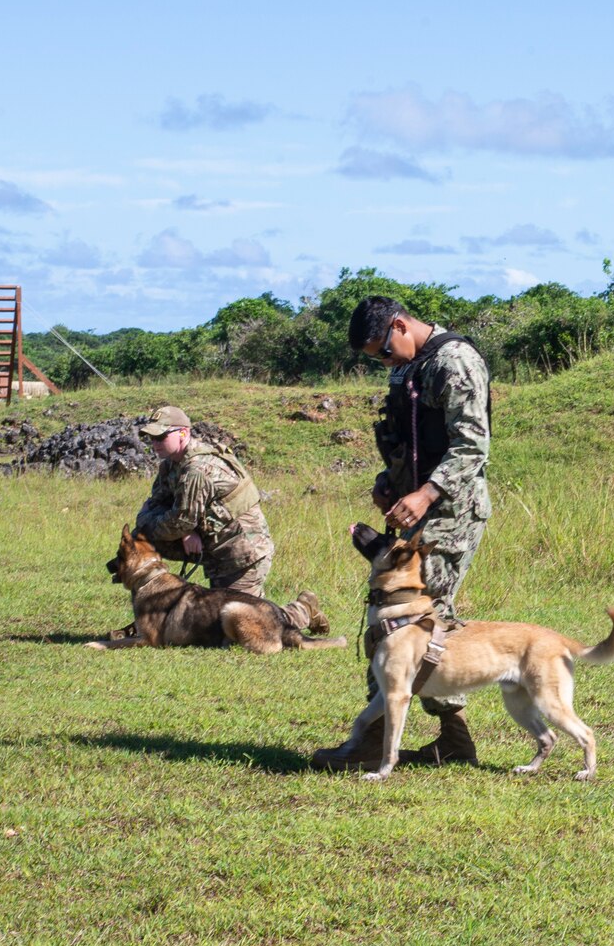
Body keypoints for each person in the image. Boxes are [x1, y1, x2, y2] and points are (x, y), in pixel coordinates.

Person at [310, 297, 492, 771]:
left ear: (400, 324)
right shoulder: (407, 368)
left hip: (450, 511)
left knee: (414, 618)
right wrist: (389, 482)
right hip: (412, 506)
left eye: (383, 351)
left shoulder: (456, 362)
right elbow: (406, 436)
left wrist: (427, 494)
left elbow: (472, 446)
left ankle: (382, 741)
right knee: (394, 618)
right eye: (375, 357)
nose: (383, 361)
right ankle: (447, 739)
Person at [132, 406, 274, 596]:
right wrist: (186, 531)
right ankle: (151, 605)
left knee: (246, 620)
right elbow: (158, 504)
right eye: (151, 438)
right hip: (215, 544)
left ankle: (303, 611)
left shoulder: (197, 470)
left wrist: (149, 520)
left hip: (243, 551)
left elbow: (177, 522)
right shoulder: (171, 464)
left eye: (161, 437)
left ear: (183, 433)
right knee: (139, 538)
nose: (155, 443)